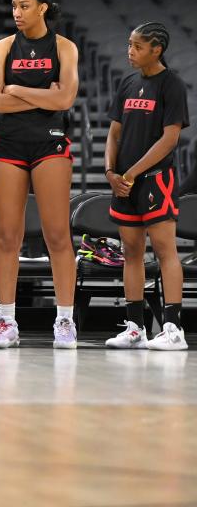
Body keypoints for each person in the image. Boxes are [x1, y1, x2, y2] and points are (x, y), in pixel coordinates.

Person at [0, 0, 79, 348]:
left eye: (24, 6)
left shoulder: (63, 47)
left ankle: (65, 320)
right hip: (9, 143)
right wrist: (42, 96)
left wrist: (17, 90)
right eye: (14, 6)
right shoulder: (3, 47)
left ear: (43, 8)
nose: (17, 13)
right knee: (8, 235)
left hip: (49, 142)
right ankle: (6, 322)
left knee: (56, 234)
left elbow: (65, 98)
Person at [105, 22, 189, 350]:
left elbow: (170, 139)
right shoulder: (127, 83)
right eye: (129, 44)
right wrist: (112, 171)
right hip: (124, 183)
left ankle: (173, 329)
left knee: (166, 251)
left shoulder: (172, 85)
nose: (130, 51)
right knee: (131, 254)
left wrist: (132, 173)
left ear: (157, 50)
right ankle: (135, 328)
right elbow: (114, 133)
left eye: (137, 46)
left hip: (156, 181)